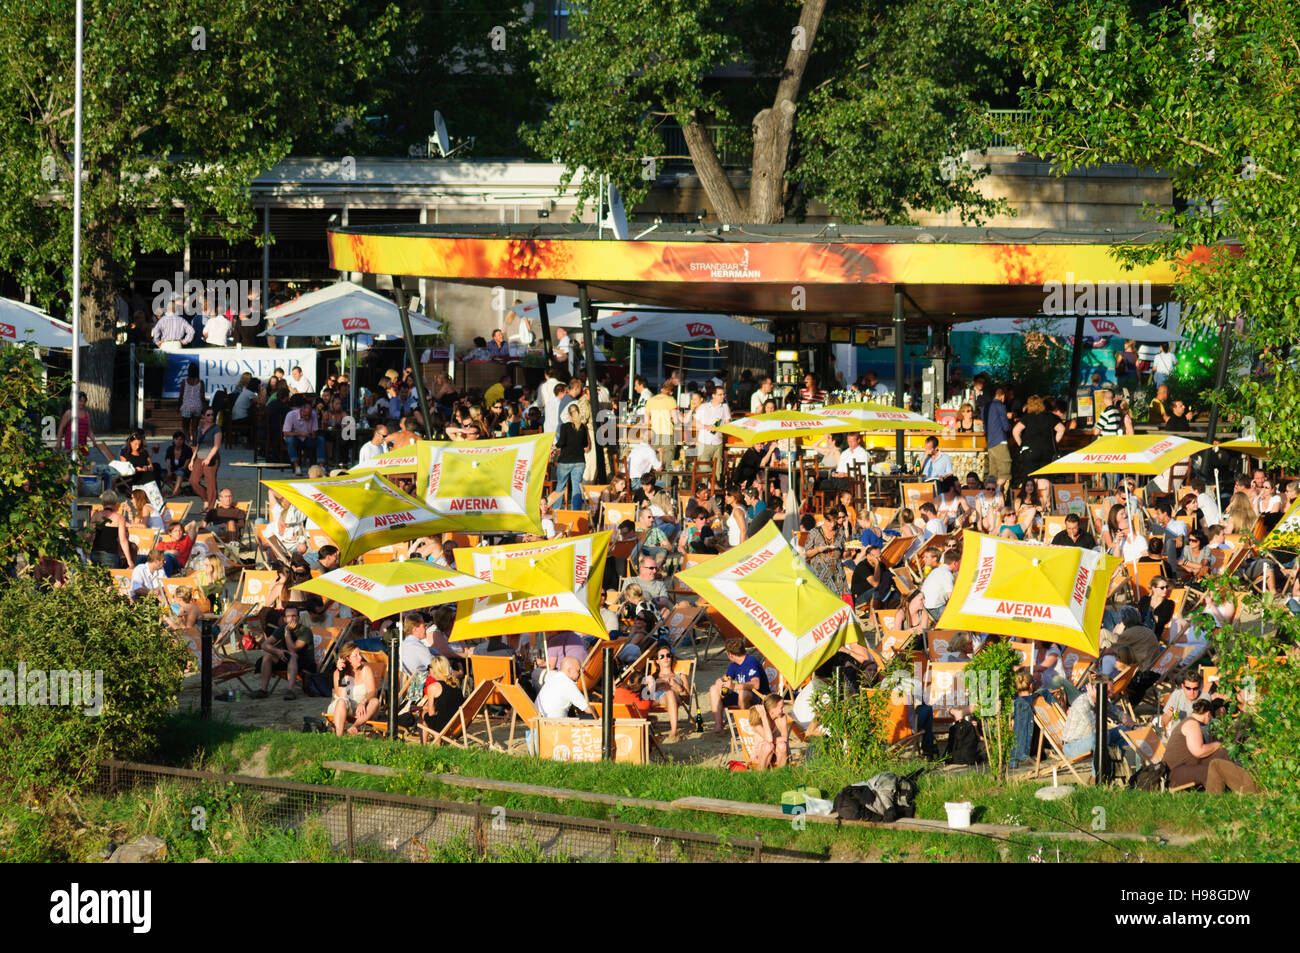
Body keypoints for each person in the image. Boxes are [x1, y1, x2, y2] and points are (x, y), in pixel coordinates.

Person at [1165, 699, 1258, 793]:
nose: (1210, 720)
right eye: (1210, 717)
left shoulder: (1193, 722)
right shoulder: (1191, 724)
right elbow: (1198, 751)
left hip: (1189, 765)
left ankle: (1250, 778)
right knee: (1208, 771)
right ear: (1208, 714)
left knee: (1223, 753)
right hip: (1175, 772)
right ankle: (1216, 796)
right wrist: (1217, 745)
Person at [1060, 675, 1135, 764]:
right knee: (1100, 737)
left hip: (1096, 737)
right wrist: (1099, 701)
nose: (1110, 696)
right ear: (1096, 689)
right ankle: (1098, 775)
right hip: (1072, 746)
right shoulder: (1083, 703)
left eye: (1111, 692)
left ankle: (1114, 764)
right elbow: (1096, 728)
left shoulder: (1102, 699)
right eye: (1108, 692)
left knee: (1126, 730)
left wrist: (1134, 726)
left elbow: (1120, 715)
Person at [250, 605, 315, 700]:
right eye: (289, 616)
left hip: (306, 662)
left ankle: (291, 690)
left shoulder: (305, 631)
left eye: (294, 616)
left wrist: (287, 633)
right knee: (268, 656)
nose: (292, 618)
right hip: (288, 659)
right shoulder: (282, 628)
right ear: (284, 619)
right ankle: (263, 690)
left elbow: (293, 649)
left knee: (292, 655)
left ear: (299, 618)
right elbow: (264, 645)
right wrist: (277, 651)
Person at [708, 638, 770, 733]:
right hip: (741, 698)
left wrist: (734, 686)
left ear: (730, 654)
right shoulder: (734, 664)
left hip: (759, 697)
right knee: (713, 689)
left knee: (743, 693)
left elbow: (756, 684)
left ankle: (746, 725)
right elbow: (726, 677)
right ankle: (718, 726)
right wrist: (720, 681)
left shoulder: (751, 662)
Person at [327, 644, 380, 736]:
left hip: (360, 709)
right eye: (356, 655)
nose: (360, 658)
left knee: (375, 701)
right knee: (342, 701)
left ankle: (354, 726)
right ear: (347, 658)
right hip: (341, 707)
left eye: (360, 654)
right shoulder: (337, 674)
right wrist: (342, 673)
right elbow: (341, 695)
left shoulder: (366, 670)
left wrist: (363, 702)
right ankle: (339, 737)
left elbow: (372, 691)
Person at [641, 645, 691, 738]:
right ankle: (646, 721)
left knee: (670, 693)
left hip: (670, 697)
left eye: (668, 655)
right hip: (654, 698)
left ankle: (673, 732)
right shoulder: (652, 677)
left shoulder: (680, 676)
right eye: (662, 656)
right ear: (657, 661)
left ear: (671, 658)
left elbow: (688, 701)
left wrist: (678, 687)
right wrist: (654, 686)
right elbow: (644, 697)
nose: (666, 658)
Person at [1012, 395, 1064, 484]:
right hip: (1047, 451)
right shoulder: (1050, 416)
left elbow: (1016, 431)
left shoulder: (1027, 417)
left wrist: (1022, 445)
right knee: (1044, 479)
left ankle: (1034, 497)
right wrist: (1054, 443)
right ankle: (1045, 497)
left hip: (1030, 451)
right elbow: (1061, 429)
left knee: (1032, 480)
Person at [416, 655, 467, 737]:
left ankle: (425, 745)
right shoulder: (456, 684)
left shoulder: (433, 687)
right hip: (458, 725)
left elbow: (431, 713)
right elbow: (446, 706)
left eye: (430, 667)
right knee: (427, 712)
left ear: (434, 670)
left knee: (423, 714)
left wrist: (422, 709)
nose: (429, 669)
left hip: (442, 726)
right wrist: (419, 707)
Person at [553, 402, 589, 511]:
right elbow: (584, 444)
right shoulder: (582, 427)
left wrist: (554, 446)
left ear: (569, 414)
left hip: (565, 461)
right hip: (579, 461)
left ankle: (556, 511)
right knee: (577, 487)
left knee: (560, 486)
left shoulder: (565, 427)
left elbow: (561, 442)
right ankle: (575, 511)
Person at [59, 392, 113, 465]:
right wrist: (58, 443)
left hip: (83, 443)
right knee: (73, 464)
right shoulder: (69, 412)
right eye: (80, 401)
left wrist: (94, 440)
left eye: (84, 401)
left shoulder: (86, 414)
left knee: (82, 464)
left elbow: (89, 430)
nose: (82, 403)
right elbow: (61, 427)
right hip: (71, 443)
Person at [804, 510, 847, 597]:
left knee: (837, 604)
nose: (832, 525)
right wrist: (818, 550)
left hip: (837, 575)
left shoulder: (840, 533)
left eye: (834, 522)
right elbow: (807, 554)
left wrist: (849, 551)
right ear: (824, 519)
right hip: (819, 574)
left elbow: (844, 555)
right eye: (829, 521)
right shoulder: (814, 532)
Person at [87, 490, 131, 568]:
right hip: (111, 554)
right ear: (115, 502)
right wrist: (129, 560)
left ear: (103, 502)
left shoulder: (96, 515)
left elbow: (88, 535)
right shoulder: (120, 518)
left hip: (96, 552)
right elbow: (123, 540)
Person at [190, 409, 223, 510]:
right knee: (193, 481)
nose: (211, 417)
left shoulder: (216, 429)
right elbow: (198, 444)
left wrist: (209, 458)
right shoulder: (201, 428)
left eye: (212, 415)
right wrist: (192, 459)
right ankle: (206, 499)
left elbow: (216, 446)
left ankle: (211, 508)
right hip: (199, 458)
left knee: (211, 484)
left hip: (211, 459)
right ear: (203, 416)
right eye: (208, 415)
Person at [282, 400, 325, 475]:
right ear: (301, 411)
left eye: (309, 415)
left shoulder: (313, 415)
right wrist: (300, 433)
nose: (307, 417)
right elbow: (286, 433)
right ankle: (296, 466)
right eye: (305, 415)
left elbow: (314, 431)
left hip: (307, 438)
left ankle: (321, 466)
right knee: (290, 440)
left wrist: (314, 433)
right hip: (296, 438)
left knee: (320, 439)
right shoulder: (291, 415)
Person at [750, 694, 791, 770]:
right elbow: (769, 739)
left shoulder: (782, 717)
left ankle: (781, 773)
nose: (783, 710)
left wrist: (773, 740)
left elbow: (785, 738)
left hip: (778, 752)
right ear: (772, 709)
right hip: (761, 754)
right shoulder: (757, 720)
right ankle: (762, 774)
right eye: (781, 707)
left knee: (782, 745)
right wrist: (764, 717)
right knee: (768, 746)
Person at [694, 385, 731, 467]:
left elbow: (727, 423)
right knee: (703, 467)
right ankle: (707, 480)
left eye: (724, 394)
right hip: (704, 441)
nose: (723, 396)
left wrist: (720, 428)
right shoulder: (703, 407)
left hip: (718, 441)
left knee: (718, 468)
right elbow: (696, 423)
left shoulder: (725, 407)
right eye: (720, 394)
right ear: (713, 396)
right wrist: (708, 427)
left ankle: (715, 480)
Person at [177, 364, 205, 443]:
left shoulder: (184, 382)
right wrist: (204, 409)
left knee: (185, 427)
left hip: (186, 406)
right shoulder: (201, 382)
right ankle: (195, 443)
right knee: (194, 427)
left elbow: (181, 396)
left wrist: (178, 407)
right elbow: (202, 397)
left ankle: (188, 442)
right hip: (197, 406)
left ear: (188, 371)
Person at [162, 431, 193, 497]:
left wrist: (175, 472)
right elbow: (167, 462)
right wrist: (169, 471)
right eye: (176, 439)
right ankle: (178, 490)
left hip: (185, 471)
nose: (178, 441)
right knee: (162, 474)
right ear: (173, 440)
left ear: (183, 440)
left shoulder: (187, 449)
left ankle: (175, 492)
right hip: (173, 469)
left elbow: (185, 465)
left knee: (180, 472)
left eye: (180, 439)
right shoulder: (170, 449)